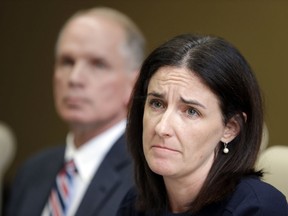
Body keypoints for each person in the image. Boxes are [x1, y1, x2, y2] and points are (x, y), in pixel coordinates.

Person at [117, 34, 288, 216]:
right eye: (157, 104)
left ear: (230, 128)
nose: (162, 128)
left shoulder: (258, 208)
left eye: (191, 111)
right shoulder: (136, 203)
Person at [6, 6, 145, 216]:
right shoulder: (32, 171)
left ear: (134, 84)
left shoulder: (147, 179)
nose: (74, 78)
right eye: (67, 62)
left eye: (98, 64)